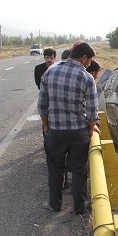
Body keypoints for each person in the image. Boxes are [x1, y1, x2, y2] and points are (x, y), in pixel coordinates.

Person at [38, 42, 99, 215]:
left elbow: (42, 105)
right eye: (90, 60)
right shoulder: (86, 77)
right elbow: (92, 111)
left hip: (55, 131)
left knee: (55, 168)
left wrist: (45, 125)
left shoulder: (50, 72)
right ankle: (79, 207)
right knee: (79, 169)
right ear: (84, 57)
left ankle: (55, 204)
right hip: (78, 132)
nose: (89, 64)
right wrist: (90, 128)